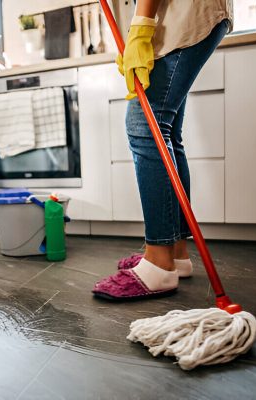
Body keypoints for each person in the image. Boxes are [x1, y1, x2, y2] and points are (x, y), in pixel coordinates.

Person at [92, 0, 232, 300]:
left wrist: (141, 26)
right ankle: (176, 253)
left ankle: (159, 263)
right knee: (166, 133)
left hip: (181, 15)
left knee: (145, 127)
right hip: (186, 15)